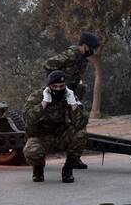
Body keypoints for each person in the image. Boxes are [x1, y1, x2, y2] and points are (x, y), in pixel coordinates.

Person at [41, 32, 101, 169]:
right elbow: (48, 64)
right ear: (85, 46)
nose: (94, 51)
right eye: (92, 48)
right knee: (52, 126)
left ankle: (74, 158)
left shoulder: (82, 58)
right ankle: (38, 158)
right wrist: (57, 84)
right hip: (59, 95)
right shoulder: (71, 54)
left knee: (79, 123)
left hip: (69, 96)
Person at [22, 70, 87, 183]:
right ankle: (38, 168)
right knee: (31, 151)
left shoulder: (70, 96)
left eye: (61, 86)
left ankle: (68, 169)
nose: (58, 89)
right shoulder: (37, 96)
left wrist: (73, 104)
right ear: (49, 86)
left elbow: (81, 123)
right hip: (42, 137)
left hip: (62, 136)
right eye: (54, 86)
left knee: (81, 134)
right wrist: (44, 103)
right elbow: (28, 119)